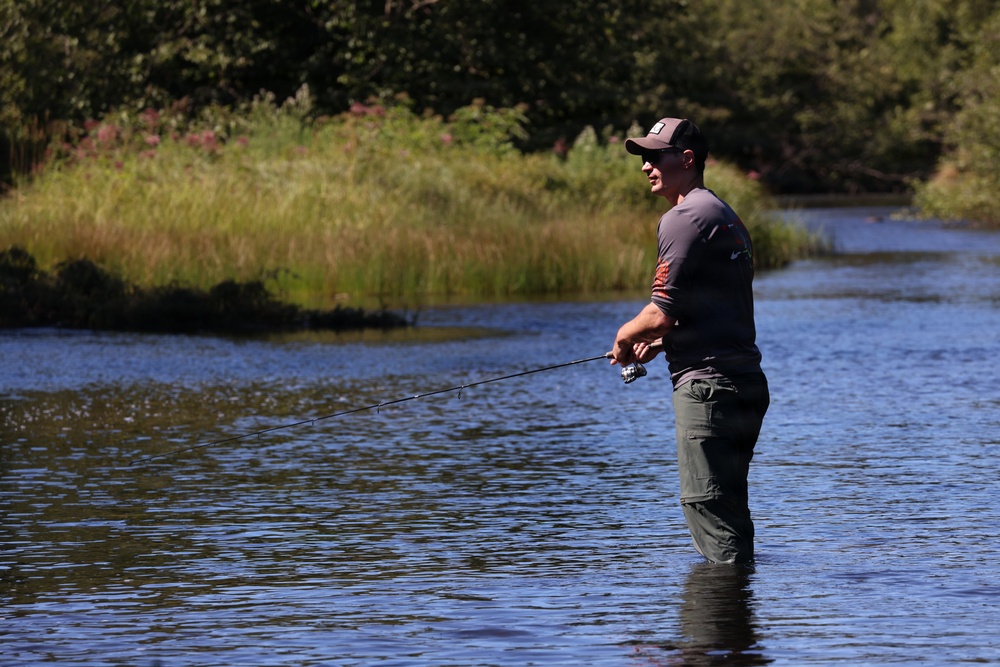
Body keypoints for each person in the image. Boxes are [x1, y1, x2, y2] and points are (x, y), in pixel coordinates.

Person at [610, 117, 769, 564]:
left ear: (686, 159)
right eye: (642, 158)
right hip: (744, 383)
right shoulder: (723, 214)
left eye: (654, 156)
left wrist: (625, 336)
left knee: (707, 508)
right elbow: (714, 307)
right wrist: (668, 342)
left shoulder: (682, 219)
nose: (645, 166)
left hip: (709, 391)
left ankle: (713, 631)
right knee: (729, 512)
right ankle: (737, 626)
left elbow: (659, 315)